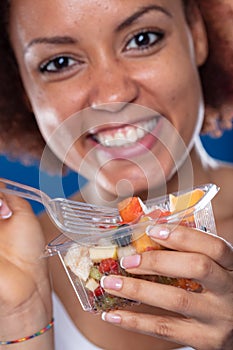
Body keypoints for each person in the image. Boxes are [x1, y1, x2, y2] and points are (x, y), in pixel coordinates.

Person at [0, 1, 232, 349]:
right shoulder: (12, 268)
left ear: (196, 34)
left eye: (142, 39)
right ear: (23, 87)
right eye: (60, 63)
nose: (112, 94)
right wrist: (21, 323)